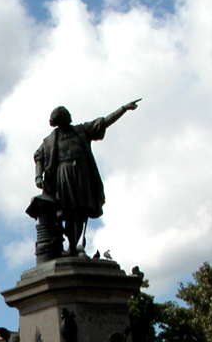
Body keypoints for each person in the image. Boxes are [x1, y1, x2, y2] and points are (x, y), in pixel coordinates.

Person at [34, 101, 139, 255]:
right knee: (64, 212)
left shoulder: (81, 131)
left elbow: (103, 122)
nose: (70, 117)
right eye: (66, 115)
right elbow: (39, 156)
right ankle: (63, 245)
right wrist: (38, 176)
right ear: (60, 120)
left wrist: (123, 109)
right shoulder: (50, 140)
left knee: (79, 212)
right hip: (62, 177)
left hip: (81, 176)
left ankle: (73, 246)